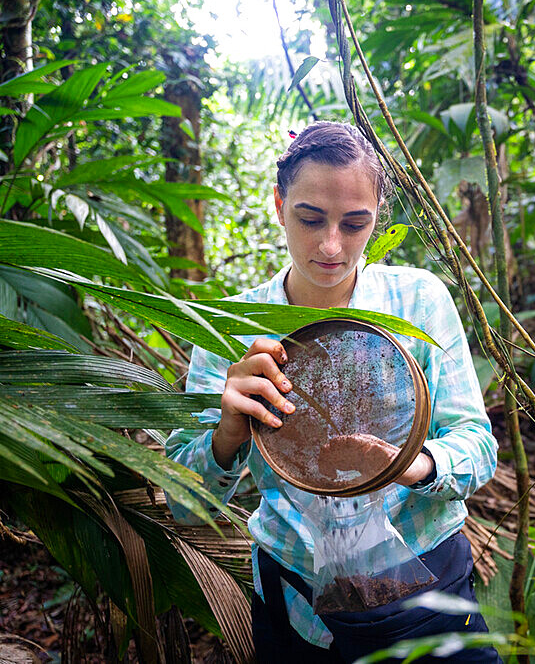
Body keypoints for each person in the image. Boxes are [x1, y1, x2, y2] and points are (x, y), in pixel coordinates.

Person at [165, 121, 501, 663]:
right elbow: (184, 502)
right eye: (310, 218)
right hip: (298, 598)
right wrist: (228, 432)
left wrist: (405, 464)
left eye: (355, 223)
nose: (330, 245)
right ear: (279, 205)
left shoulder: (417, 302)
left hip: (429, 577)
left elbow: (478, 446)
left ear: (377, 219)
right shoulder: (230, 327)